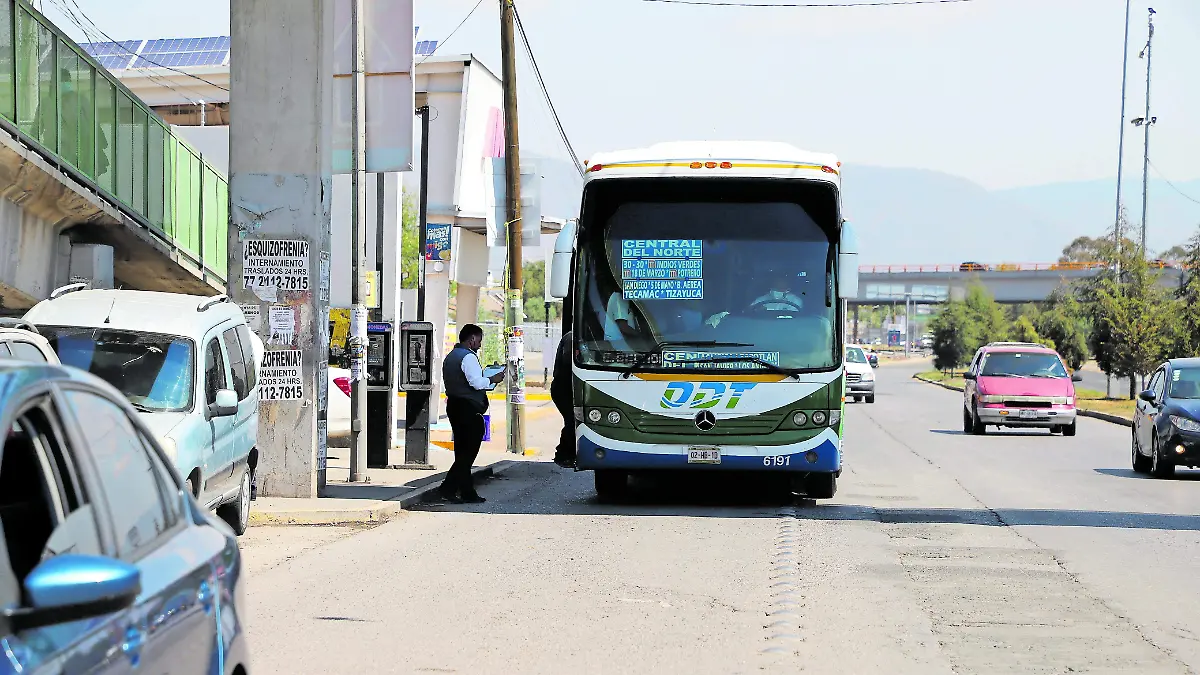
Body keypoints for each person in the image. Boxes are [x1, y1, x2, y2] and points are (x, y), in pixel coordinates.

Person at [440, 324, 506, 503]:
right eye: (479, 340)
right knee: (468, 453)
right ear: (472, 339)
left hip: (455, 405)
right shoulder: (468, 357)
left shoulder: (451, 356)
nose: (480, 344)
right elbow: (476, 383)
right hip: (467, 409)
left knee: (462, 451)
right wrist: (494, 378)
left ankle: (466, 492)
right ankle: (448, 488)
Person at [550, 330, 575, 468]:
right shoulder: (572, 337)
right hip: (563, 386)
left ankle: (566, 452)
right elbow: (568, 359)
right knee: (572, 421)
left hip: (565, 386)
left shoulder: (574, 335)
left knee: (572, 421)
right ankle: (563, 454)